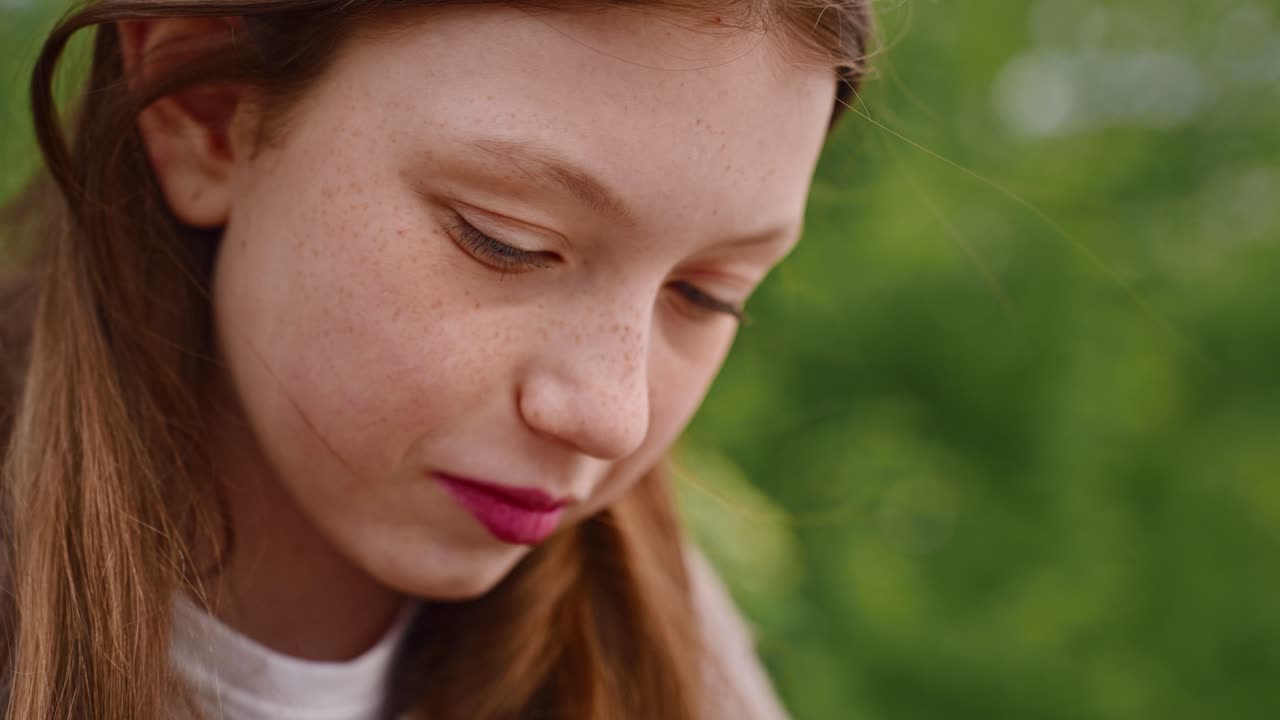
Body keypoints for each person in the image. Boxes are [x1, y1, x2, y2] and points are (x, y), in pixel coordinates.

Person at [0, 1, 872, 718]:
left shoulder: (666, 642)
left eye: (707, 295)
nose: (613, 416)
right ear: (208, 110)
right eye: (507, 241)